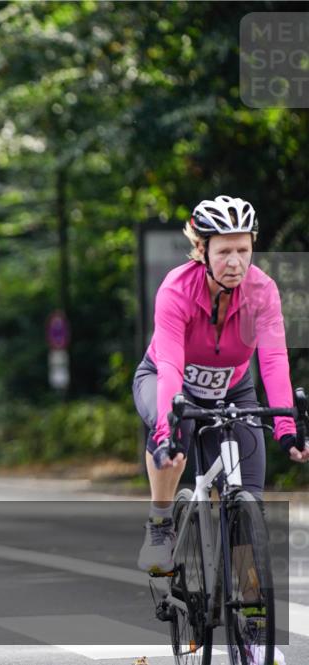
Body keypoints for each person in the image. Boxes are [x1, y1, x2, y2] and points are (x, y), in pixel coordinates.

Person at [132, 196, 308, 665]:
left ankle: (251, 627)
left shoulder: (263, 291)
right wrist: (169, 426)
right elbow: (169, 361)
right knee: (171, 444)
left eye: (243, 250)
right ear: (202, 250)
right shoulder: (176, 289)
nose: (235, 262)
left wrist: (287, 425)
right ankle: (162, 523)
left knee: (248, 500)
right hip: (167, 381)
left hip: (235, 390)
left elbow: (272, 358)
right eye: (224, 251)